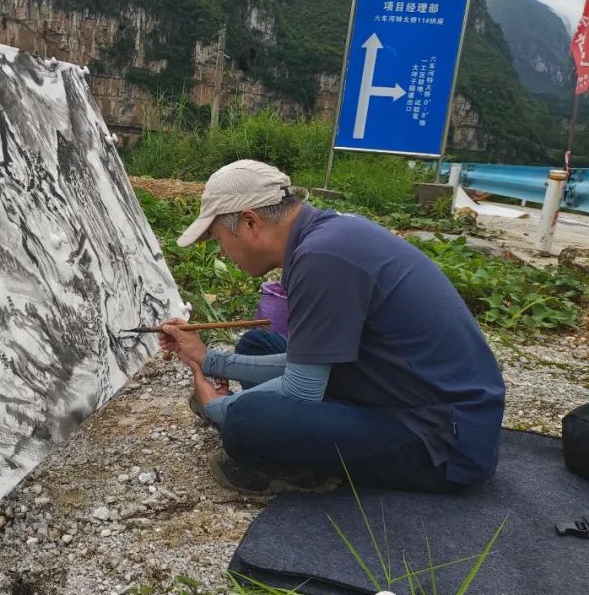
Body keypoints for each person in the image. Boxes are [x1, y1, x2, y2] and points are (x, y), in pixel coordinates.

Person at [158, 160, 505, 496]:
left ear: (251, 223)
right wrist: (210, 360)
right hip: (405, 390)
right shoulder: (326, 236)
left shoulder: (322, 258)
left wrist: (217, 408)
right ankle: (295, 445)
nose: (222, 250)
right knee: (256, 344)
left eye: (219, 238)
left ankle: (293, 460)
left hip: (443, 439)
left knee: (245, 420)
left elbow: (301, 389)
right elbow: (306, 365)